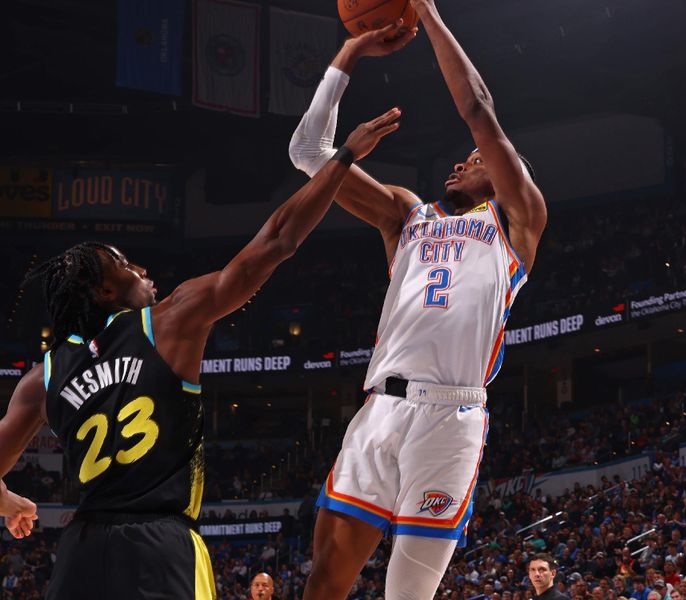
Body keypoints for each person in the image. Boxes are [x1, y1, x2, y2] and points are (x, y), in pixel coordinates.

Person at [0, 110, 402, 599]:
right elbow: (277, 240)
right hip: (162, 544)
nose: (142, 269)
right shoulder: (170, 320)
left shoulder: (42, 378)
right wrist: (343, 158)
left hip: (82, 553)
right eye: (126, 265)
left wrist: (4, 498)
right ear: (104, 289)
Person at [288, 0, 547, 597]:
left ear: (507, 177)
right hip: (381, 410)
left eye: (477, 160)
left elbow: (478, 109)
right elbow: (307, 153)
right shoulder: (408, 214)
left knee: (406, 594)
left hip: (452, 418)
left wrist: (427, 12)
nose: (462, 161)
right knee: (324, 580)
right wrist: (348, 55)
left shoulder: (517, 220)